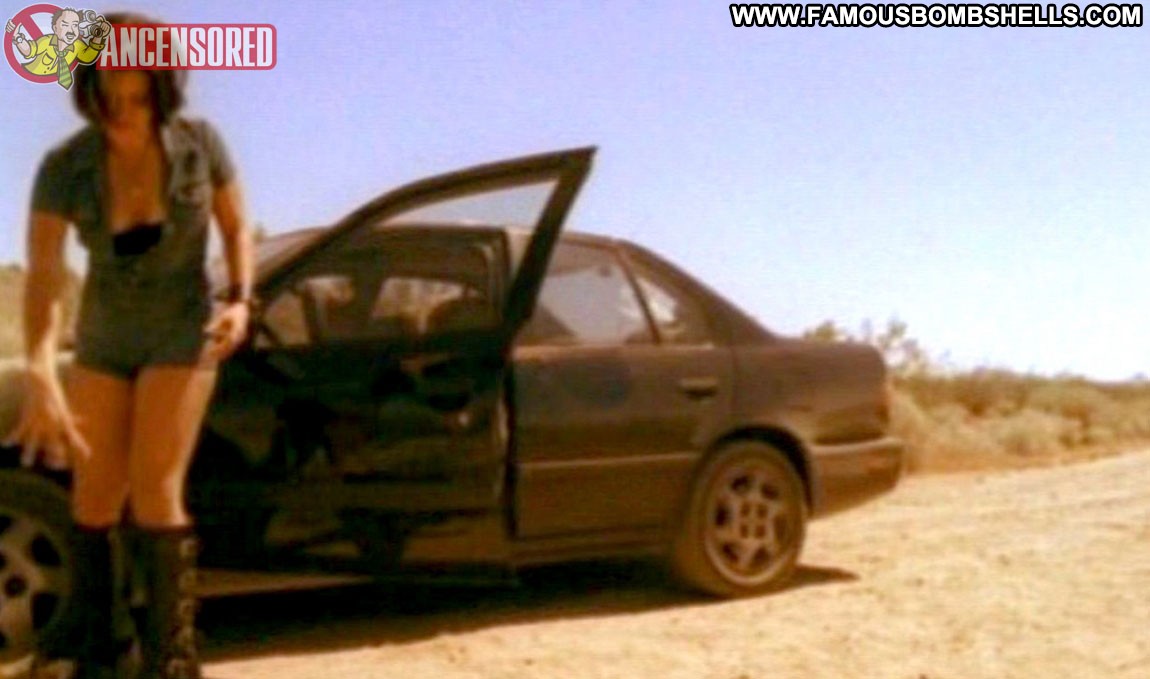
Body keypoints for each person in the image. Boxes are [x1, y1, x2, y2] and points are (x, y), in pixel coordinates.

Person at [6, 12, 254, 679]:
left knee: (154, 493)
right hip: (106, 335)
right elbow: (45, 273)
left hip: (181, 329)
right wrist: (41, 368)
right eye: (109, 88)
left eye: (137, 90)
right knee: (92, 498)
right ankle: (102, 649)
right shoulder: (64, 165)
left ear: (159, 80)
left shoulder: (202, 145)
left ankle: (172, 659)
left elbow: (237, 229)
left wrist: (240, 300)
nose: (123, 104)